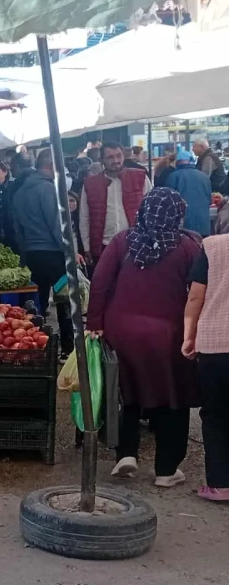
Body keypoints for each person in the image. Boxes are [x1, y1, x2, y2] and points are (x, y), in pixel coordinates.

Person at [86, 188, 201, 487]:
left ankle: (126, 454)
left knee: (125, 390)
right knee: (172, 396)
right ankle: (166, 470)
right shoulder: (188, 247)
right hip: (168, 334)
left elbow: (99, 282)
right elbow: (199, 291)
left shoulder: (123, 241)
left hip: (121, 330)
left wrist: (95, 321)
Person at [183, 233, 229, 501]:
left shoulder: (213, 246)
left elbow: (195, 297)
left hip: (215, 343)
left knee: (215, 414)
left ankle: (221, 485)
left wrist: (189, 336)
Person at [12, 148, 73, 349]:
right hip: (54, 256)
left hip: (32, 256)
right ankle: (67, 346)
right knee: (64, 299)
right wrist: (69, 250)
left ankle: (36, 347)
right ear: (52, 165)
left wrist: (24, 253)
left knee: (37, 303)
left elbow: (17, 229)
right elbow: (56, 224)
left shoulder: (19, 192)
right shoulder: (47, 189)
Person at [79, 142, 150, 267]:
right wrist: (87, 248)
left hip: (135, 244)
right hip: (104, 246)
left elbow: (151, 211)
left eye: (118, 156)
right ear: (101, 160)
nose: (116, 160)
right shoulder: (90, 184)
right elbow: (84, 217)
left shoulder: (140, 177)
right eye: (110, 157)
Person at [159, 148, 214, 236]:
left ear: (177, 163)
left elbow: (168, 203)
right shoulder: (205, 177)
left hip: (183, 227)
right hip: (204, 225)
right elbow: (210, 201)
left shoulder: (173, 177)